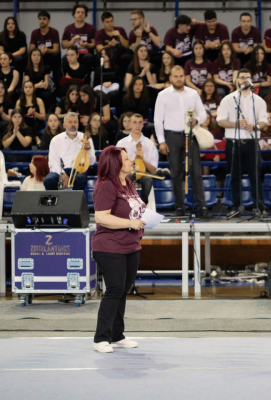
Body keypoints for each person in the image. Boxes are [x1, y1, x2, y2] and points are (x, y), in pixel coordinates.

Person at [92, 145, 146, 353]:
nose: (131, 160)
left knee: (123, 291)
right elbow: (101, 217)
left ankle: (117, 335)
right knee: (114, 290)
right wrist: (129, 224)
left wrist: (144, 219)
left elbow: (133, 210)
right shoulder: (106, 185)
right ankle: (101, 338)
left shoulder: (129, 183)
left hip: (131, 245)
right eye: (126, 158)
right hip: (109, 246)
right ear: (115, 164)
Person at [154, 65, 211, 218]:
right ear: (170, 78)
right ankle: (179, 207)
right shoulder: (163, 95)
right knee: (176, 174)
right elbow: (158, 120)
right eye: (176, 76)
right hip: (171, 137)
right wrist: (161, 141)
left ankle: (202, 207)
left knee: (196, 173)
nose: (179, 79)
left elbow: (203, 114)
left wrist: (197, 121)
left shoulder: (193, 94)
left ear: (184, 77)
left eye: (181, 76)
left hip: (191, 135)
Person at [216, 68, 269, 218]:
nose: (245, 80)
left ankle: (258, 206)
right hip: (233, 143)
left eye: (248, 77)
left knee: (255, 176)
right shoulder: (228, 99)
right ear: (237, 80)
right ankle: (236, 206)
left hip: (251, 142)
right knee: (235, 177)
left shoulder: (258, 100)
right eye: (242, 77)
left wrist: (256, 126)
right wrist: (236, 124)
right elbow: (220, 121)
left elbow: (264, 121)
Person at [44, 111, 96, 190]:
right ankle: (55, 201)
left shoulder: (86, 138)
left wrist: (88, 150)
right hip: (61, 170)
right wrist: (62, 174)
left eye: (75, 122)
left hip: (79, 170)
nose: (73, 125)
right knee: (49, 180)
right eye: (70, 122)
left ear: (78, 124)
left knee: (80, 179)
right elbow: (53, 162)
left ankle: (75, 202)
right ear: (64, 125)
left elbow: (92, 162)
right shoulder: (56, 140)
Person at [116, 113, 158, 205]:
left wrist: (143, 159)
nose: (137, 125)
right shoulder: (121, 143)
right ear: (130, 124)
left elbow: (153, 171)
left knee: (148, 179)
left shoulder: (149, 144)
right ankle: (127, 203)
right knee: (126, 177)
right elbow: (116, 165)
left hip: (144, 172)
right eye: (134, 122)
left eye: (140, 122)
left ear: (143, 125)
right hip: (127, 172)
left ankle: (143, 204)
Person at [29, 10, 61, 81]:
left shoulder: (54, 32)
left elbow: (56, 49)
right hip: (38, 57)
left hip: (50, 56)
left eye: (44, 19)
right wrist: (39, 52)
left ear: (49, 21)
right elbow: (31, 50)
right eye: (40, 19)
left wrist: (47, 50)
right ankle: (32, 82)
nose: (41, 21)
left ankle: (56, 83)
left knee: (56, 57)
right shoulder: (34, 33)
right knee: (30, 57)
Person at [61, 4, 96, 68]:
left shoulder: (91, 28)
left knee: (88, 57)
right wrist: (72, 41)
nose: (80, 14)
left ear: (85, 15)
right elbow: (63, 45)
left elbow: (94, 44)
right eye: (78, 12)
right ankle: (68, 77)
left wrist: (86, 45)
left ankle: (86, 77)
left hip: (86, 53)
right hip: (72, 54)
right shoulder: (68, 28)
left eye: (82, 12)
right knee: (65, 58)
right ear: (74, 14)